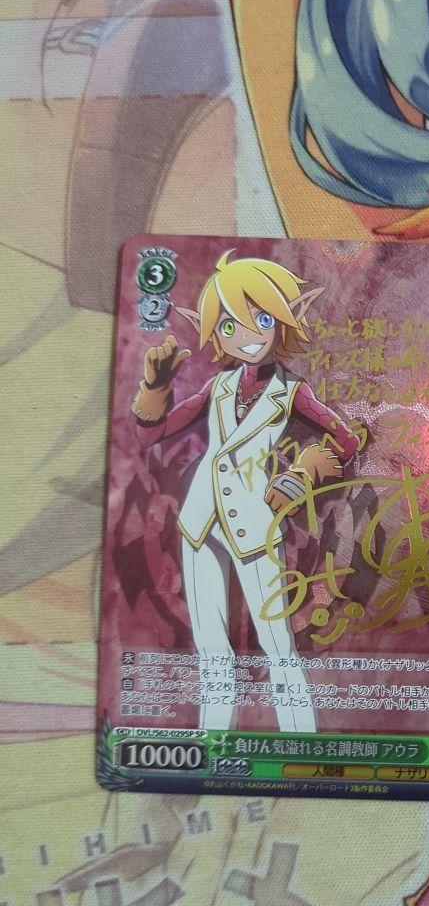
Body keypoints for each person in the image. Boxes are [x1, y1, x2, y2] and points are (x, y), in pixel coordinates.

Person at [132, 251, 363, 730]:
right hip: (201, 522)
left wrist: (302, 473)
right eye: (229, 325)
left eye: (262, 319)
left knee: (278, 643)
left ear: (281, 321)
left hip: (257, 524)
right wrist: (155, 388)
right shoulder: (218, 387)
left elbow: (346, 440)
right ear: (216, 334)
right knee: (210, 645)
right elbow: (152, 434)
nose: (248, 334)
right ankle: (213, 738)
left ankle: (301, 742)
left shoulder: (291, 391)